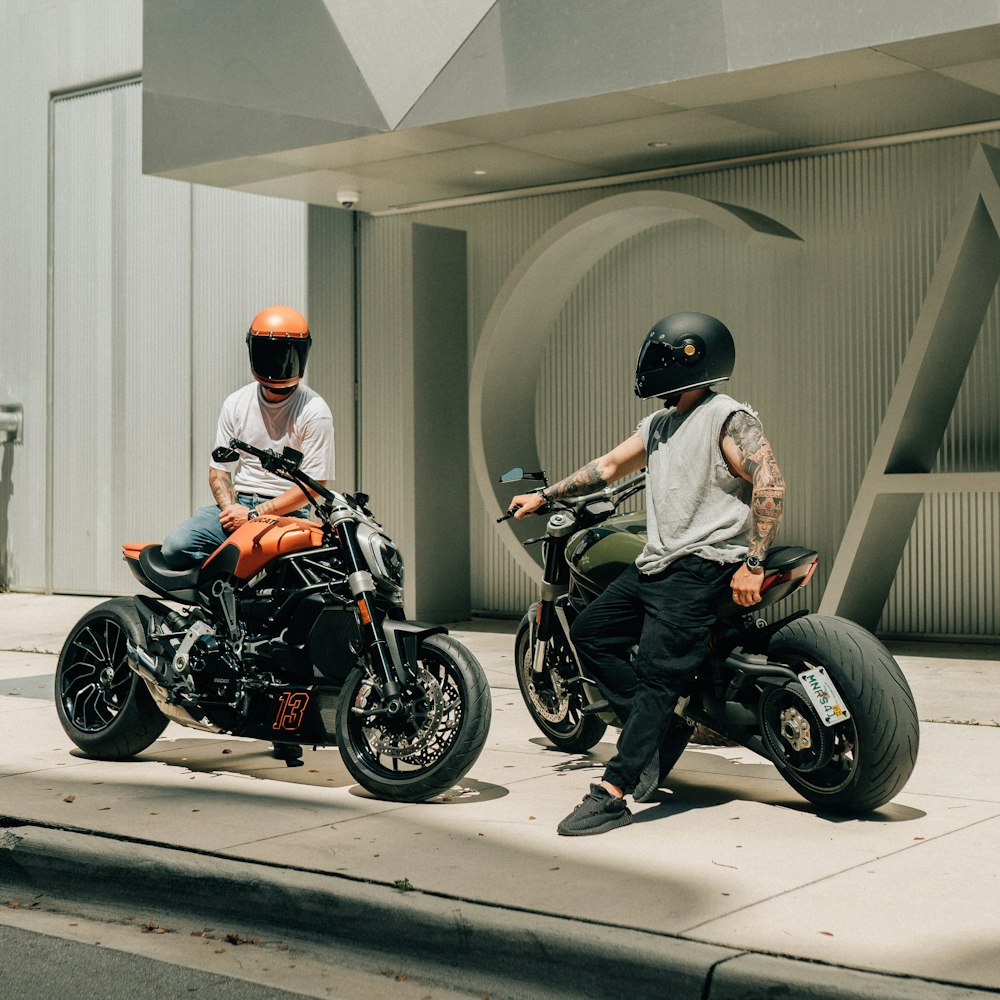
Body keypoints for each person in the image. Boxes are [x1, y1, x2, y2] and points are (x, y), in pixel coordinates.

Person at [507, 312, 785, 836]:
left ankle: (613, 791)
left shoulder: (728, 418)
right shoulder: (658, 425)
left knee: (660, 676)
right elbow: (608, 467)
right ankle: (654, 726)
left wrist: (753, 561)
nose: (649, 367)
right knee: (590, 632)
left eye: (659, 358)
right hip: (657, 563)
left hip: (704, 565)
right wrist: (544, 496)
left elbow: (770, 483)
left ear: (692, 359)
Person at [161, 305, 334, 571]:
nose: (280, 362)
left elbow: (313, 484)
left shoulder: (314, 410)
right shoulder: (236, 403)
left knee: (286, 573)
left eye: (288, 353)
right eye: (270, 352)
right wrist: (233, 513)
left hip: (288, 513)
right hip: (240, 503)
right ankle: (219, 604)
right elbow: (219, 470)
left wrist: (255, 515)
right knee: (175, 547)